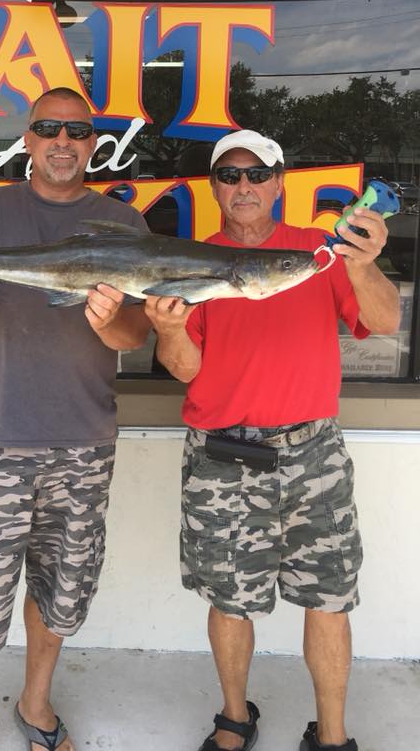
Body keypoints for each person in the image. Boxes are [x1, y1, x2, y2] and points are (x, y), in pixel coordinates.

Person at [143, 129, 400, 751]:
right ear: (215, 189)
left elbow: (386, 320)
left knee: (330, 596)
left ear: (279, 182)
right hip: (221, 455)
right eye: (229, 177)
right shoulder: (193, 259)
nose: (244, 187)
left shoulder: (321, 252)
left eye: (257, 174)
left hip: (313, 451)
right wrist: (166, 328)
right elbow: (184, 369)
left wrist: (363, 265)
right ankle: (235, 717)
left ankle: (332, 733)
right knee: (230, 598)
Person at [0, 87, 150, 751]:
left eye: (77, 130)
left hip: (83, 443)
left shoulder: (121, 225)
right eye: (49, 128)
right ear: (28, 139)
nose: (63, 140)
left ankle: (37, 705)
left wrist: (114, 323)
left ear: (94, 144)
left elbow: (135, 336)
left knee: (61, 586)